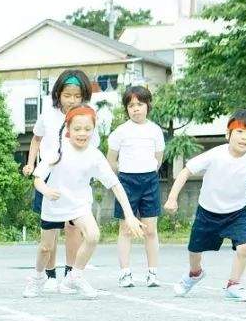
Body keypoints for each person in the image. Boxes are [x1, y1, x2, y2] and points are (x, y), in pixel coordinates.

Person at [25, 106, 143, 300]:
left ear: (93, 130)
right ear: (68, 129)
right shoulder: (58, 150)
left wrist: (129, 215)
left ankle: (75, 276)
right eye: (77, 128)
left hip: (79, 206)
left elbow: (115, 185)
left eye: (87, 129)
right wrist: (46, 190)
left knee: (93, 235)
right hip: (54, 205)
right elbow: (38, 178)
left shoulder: (95, 155)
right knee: (45, 248)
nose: (82, 133)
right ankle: (38, 277)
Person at [166, 109, 246, 303]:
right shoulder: (215, 154)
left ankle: (234, 284)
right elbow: (186, 171)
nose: (245, 137)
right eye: (240, 131)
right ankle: (195, 273)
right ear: (228, 133)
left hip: (237, 214)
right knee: (195, 250)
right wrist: (172, 198)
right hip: (207, 212)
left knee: (245, 247)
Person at [22, 70, 99, 293]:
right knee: (51, 228)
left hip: (75, 178)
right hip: (49, 176)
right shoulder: (48, 115)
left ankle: (71, 274)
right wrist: (30, 163)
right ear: (58, 94)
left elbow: (91, 147)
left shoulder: (87, 116)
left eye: (77, 96)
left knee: (73, 227)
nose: (72, 100)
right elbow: (36, 139)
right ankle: (49, 274)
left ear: (84, 96)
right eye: (67, 95)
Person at [107, 85, 165, 288]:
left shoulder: (156, 130)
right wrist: (121, 179)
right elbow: (111, 160)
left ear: (147, 105)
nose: (136, 109)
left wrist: (147, 173)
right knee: (125, 229)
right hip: (126, 182)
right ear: (126, 109)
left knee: (151, 230)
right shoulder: (120, 132)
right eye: (131, 105)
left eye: (140, 104)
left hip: (149, 181)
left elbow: (158, 159)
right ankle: (125, 273)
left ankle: (153, 273)